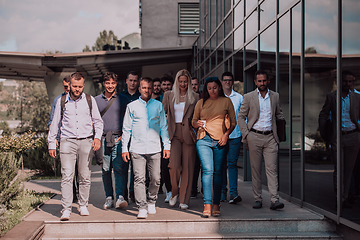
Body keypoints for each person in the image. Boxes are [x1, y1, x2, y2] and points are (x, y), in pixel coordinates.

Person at [48, 72, 103, 221]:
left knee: (84, 176)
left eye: (80, 86)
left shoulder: (90, 100)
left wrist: (97, 138)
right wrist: (52, 143)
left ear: (83, 85)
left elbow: (98, 121)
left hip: (86, 142)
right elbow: (55, 124)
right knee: (67, 175)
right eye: (74, 86)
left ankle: (83, 204)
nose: (77, 89)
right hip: (67, 142)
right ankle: (66, 209)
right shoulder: (61, 101)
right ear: (69, 85)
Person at [122, 77, 171, 219]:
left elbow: (163, 127)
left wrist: (166, 146)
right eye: (144, 88)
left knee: (156, 178)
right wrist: (124, 148)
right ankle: (142, 207)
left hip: (155, 147)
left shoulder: (158, 105)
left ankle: (151, 200)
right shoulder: (131, 107)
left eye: (149, 88)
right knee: (139, 178)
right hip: (136, 148)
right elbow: (126, 129)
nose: (147, 90)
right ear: (139, 89)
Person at [238, 69, 285, 210]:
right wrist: (246, 135)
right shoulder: (248, 97)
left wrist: (280, 135)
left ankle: (274, 200)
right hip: (254, 136)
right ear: (255, 82)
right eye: (259, 81)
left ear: (268, 81)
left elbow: (279, 114)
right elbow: (241, 116)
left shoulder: (275, 96)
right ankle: (258, 199)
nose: (262, 83)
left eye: (264, 80)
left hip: (271, 137)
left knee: (271, 169)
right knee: (256, 170)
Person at [192, 77, 236, 217]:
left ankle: (216, 203)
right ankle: (207, 204)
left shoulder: (226, 101)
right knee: (207, 170)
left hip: (220, 141)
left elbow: (233, 122)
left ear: (219, 87)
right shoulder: (201, 102)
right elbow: (193, 121)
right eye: (209, 88)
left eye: (215, 87)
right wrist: (196, 124)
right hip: (203, 139)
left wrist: (226, 135)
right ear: (206, 89)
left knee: (218, 172)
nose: (212, 90)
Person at [319, 70, 360, 208]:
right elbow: (323, 115)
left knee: (348, 171)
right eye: (345, 81)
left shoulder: (356, 97)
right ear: (339, 82)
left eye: (350, 81)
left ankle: (345, 196)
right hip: (337, 137)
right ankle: (339, 199)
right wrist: (325, 135)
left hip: (353, 136)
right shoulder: (332, 96)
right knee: (338, 169)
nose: (347, 84)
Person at [162, 69, 199, 210]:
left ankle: (184, 199)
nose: (183, 84)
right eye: (180, 81)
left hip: (189, 134)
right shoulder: (169, 95)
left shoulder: (195, 97)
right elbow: (163, 114)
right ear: (177, 81)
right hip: (174, 134)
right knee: (174, 166)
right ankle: (174, 192)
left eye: (185, 81)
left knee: (188, 168)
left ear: (188, 82)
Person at [95, 72, 130, 210]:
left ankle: (120, 196)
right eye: (108, 83)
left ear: (116, 84)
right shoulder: (96, 100)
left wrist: (124, 136)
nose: (110, 86)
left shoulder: (123, 99)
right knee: (105, 169)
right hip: (103, 138)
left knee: (119, 169)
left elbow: (129, 119)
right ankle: (109, 197)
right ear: (104, 84)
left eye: (113, 83)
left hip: (118, 138)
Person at [220, 72, 243, 204]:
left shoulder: (239, 98)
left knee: (232, 164)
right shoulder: (217, 97)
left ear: (232, 82)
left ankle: (234, 193)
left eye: (229, 80)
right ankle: (223, 191)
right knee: (222, 165)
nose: (227, 82)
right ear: (222, 82)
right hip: (220, 136)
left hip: (235, 136)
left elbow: (242, 117)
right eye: (225, 80)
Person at [120, 70, 140, 203]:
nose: (132, 83)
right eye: (130, 80)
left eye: (135, 80)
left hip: (138, 137)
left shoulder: (141, 97)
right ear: (126, 81)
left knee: (136, 167)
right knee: (123, 167)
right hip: (124, 136)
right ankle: (123, 193)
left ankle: (133, 192)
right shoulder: (120, 97)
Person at [190, 76, 202, 198]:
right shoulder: (188, 99)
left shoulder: (203, 98)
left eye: (196, 84)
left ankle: (203, 188)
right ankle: (193, 188)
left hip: (202, 134)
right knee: (194, 164)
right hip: (190, 135)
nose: (194, 86)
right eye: (192, 84)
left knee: (203, 163)